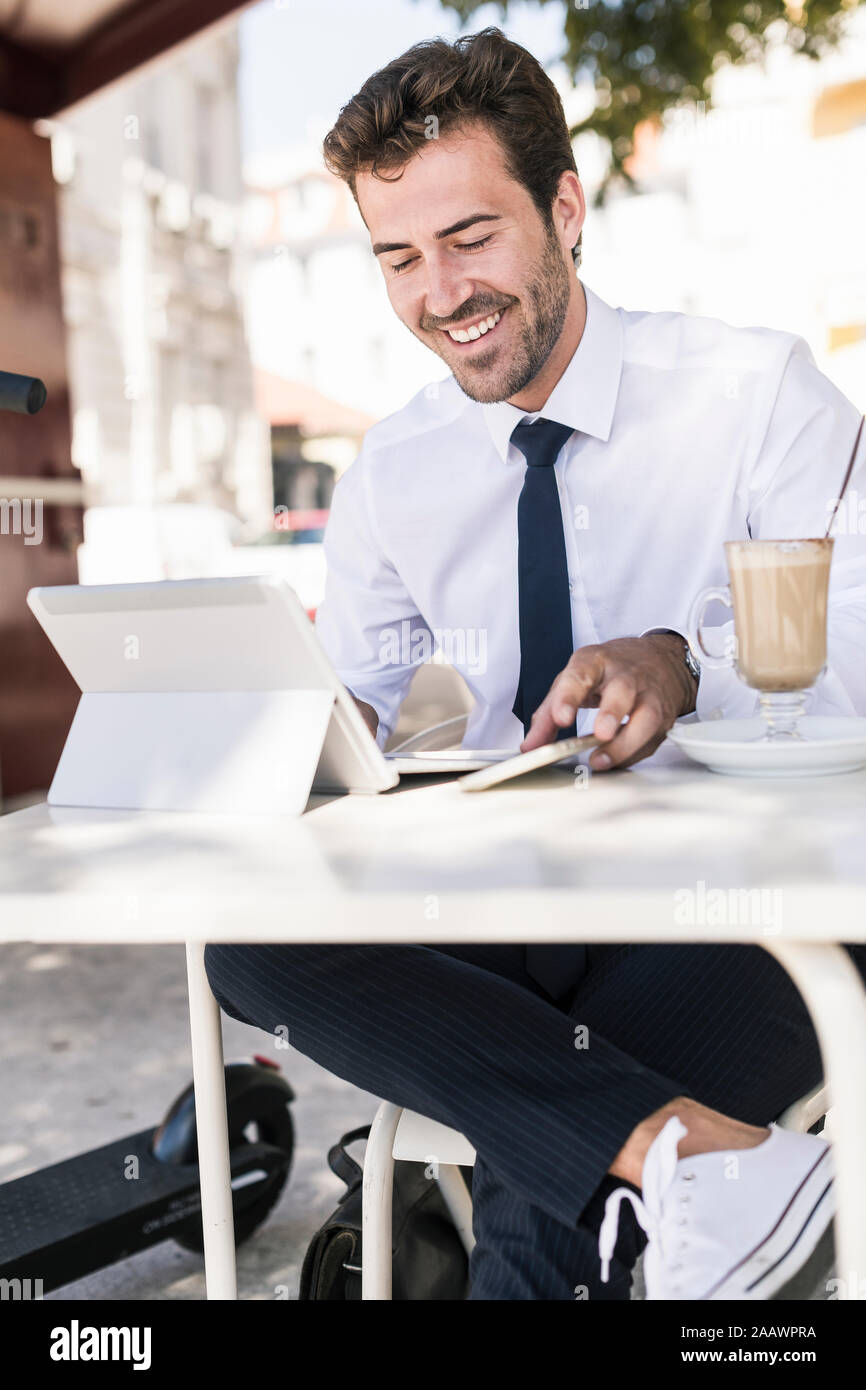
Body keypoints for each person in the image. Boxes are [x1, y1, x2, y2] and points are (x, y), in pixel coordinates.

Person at [205, 27, 866, 1300]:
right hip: (515, 910)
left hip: (748, 908)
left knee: (544, 1186)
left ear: (564, 208)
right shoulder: (395, 470)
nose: (438, 292)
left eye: (469, 238)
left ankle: (640, 1159)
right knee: (250, 944)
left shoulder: (755, 392)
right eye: (398, 255)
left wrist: (681, 663)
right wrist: (304, 729)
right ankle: (698, 1158)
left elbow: (860, 656)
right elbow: (371, 713)